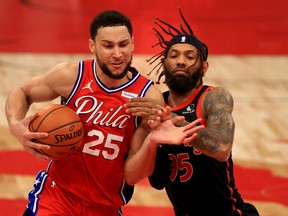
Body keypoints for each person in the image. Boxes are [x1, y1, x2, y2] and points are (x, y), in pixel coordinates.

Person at [5, 10, 203, 216]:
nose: (117, 54)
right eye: (108, 46)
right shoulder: (72, 76)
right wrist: (15, 125)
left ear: (133, 44)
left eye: (123, 44)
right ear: (93, 46)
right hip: (58, 196)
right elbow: (22, 91)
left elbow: (132, 176)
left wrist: (152, 141)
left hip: (105, 206)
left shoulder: (147, 97)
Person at [125, 8, 259, 216]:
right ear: (164, 63)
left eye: (190, 56)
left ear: (204, 68)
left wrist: (172, 120)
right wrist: (151, 140)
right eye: (174, 55)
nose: (181, 61)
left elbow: (221, 148)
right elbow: (158, 181)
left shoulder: (213, 97)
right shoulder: (156, 108)